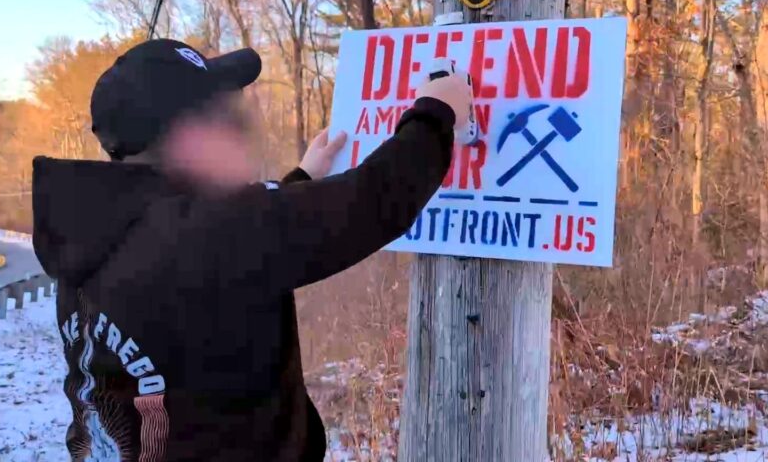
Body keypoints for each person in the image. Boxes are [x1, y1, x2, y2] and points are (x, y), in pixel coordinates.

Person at [31, 38, 471, 462]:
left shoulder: (93, 231)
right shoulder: (211, 235)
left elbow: (235, 255)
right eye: (225, 118)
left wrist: (299, 181)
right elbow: (376, 201)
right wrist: (436, 113)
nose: (241, 130)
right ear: (186, 137)